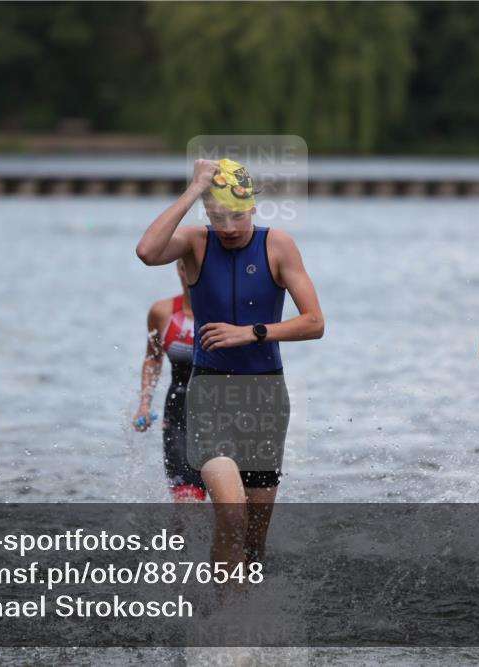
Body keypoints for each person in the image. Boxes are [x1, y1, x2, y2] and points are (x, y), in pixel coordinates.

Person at [135, 157, 324, 570]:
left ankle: (245, 610)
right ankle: (223, 622)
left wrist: (252, 332)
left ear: (253, 206)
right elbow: (147, 251)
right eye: (218, 216)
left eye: (237, 215)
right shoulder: (196, 243)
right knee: (232, 512)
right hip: (211, 394)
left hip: (266, 398)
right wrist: (193, 188)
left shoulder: (278, 245)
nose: (230, 228)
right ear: (207, 212)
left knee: (255, 541)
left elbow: (314, 323)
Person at [133, 259, 207, 502]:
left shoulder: (229, 313)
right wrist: (144, 403)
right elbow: (153, 359)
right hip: (178, 413)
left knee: (229, 504)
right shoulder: (161, 312)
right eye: (189, 268)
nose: (195, 274)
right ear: (180, 270)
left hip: (223, 412)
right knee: (186, 501)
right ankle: (179, 540)